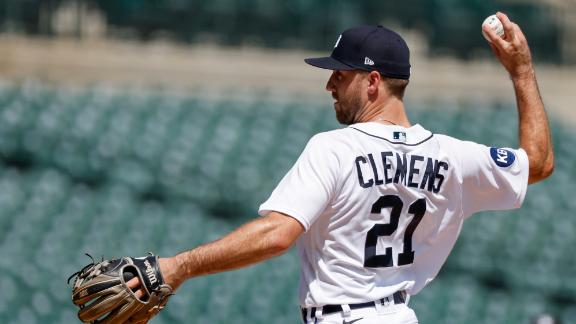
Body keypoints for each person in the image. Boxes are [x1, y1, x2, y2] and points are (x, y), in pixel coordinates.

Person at [129, 12, 554, 323]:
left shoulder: (334, 148)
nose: (329, 84)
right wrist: (521, 71)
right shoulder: (452, 157)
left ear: (372, 81)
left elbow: (278, 234)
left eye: (340, 74)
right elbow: (537, 163)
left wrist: (179, 266)